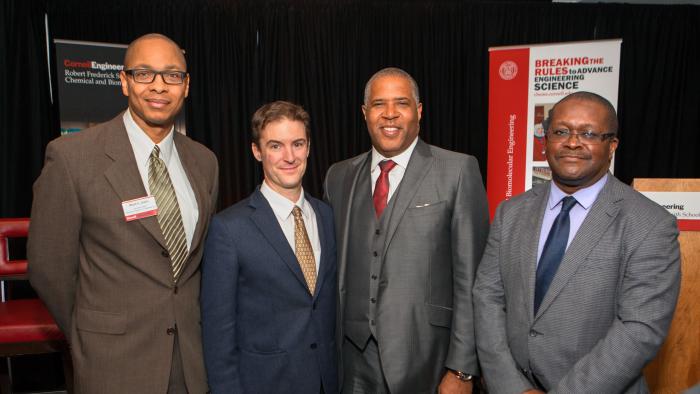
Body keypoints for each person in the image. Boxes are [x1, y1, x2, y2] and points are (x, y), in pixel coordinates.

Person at [27, 33, 218, 393]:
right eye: (144, 73)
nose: (159, 86)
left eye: (172, 75)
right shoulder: (72, 158)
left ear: (186, 85)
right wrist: (92, 334)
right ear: (124, 81)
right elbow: (48, 267)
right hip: (113, 364)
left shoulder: (205, 162)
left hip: (192, 363)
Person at [473, 91, 681, 393]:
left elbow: (640, 328)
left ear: (612, 146)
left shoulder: (649, 224)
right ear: (545, 141)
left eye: (589, 133)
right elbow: (487, 297)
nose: (572, 142)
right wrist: (510, 386)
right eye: (561, 131)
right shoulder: (511, 212)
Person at [324, 67, 490, 394]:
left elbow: (473, 279)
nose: (389, 114)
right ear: (364, 113)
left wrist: (462, 369)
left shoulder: (457, 170)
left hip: (427, 361)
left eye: (401, 103)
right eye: (378, 104)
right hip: (350, 363)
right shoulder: (338, 176)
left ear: (419, 111)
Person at [201, 101, 337, 393]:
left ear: (308, 147)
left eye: (297, 144)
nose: (289, 156)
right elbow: (218, 334)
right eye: (276, 146)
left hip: (328, 382)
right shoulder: (229, 228)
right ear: (257, 151)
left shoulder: (326, 216)